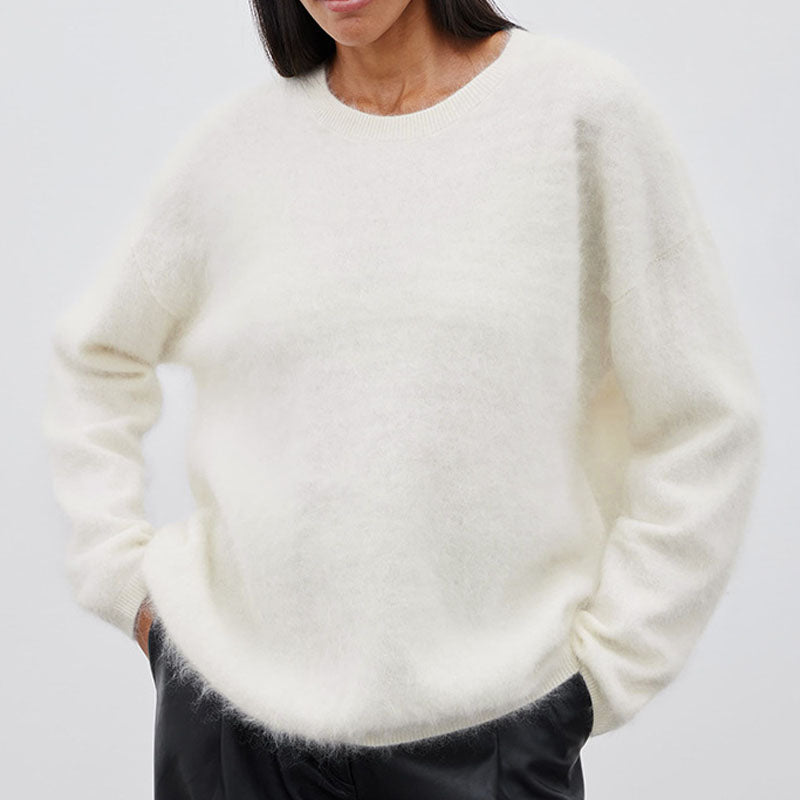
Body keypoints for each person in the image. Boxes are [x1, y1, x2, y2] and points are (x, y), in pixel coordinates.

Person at [41, 0, 763, 798]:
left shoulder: (578, 117)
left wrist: (605, 672)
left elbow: (704, 418)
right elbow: (95, 358)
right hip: (233, 734)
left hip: (489, 738)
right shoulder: (235, 151)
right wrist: (128, 586)